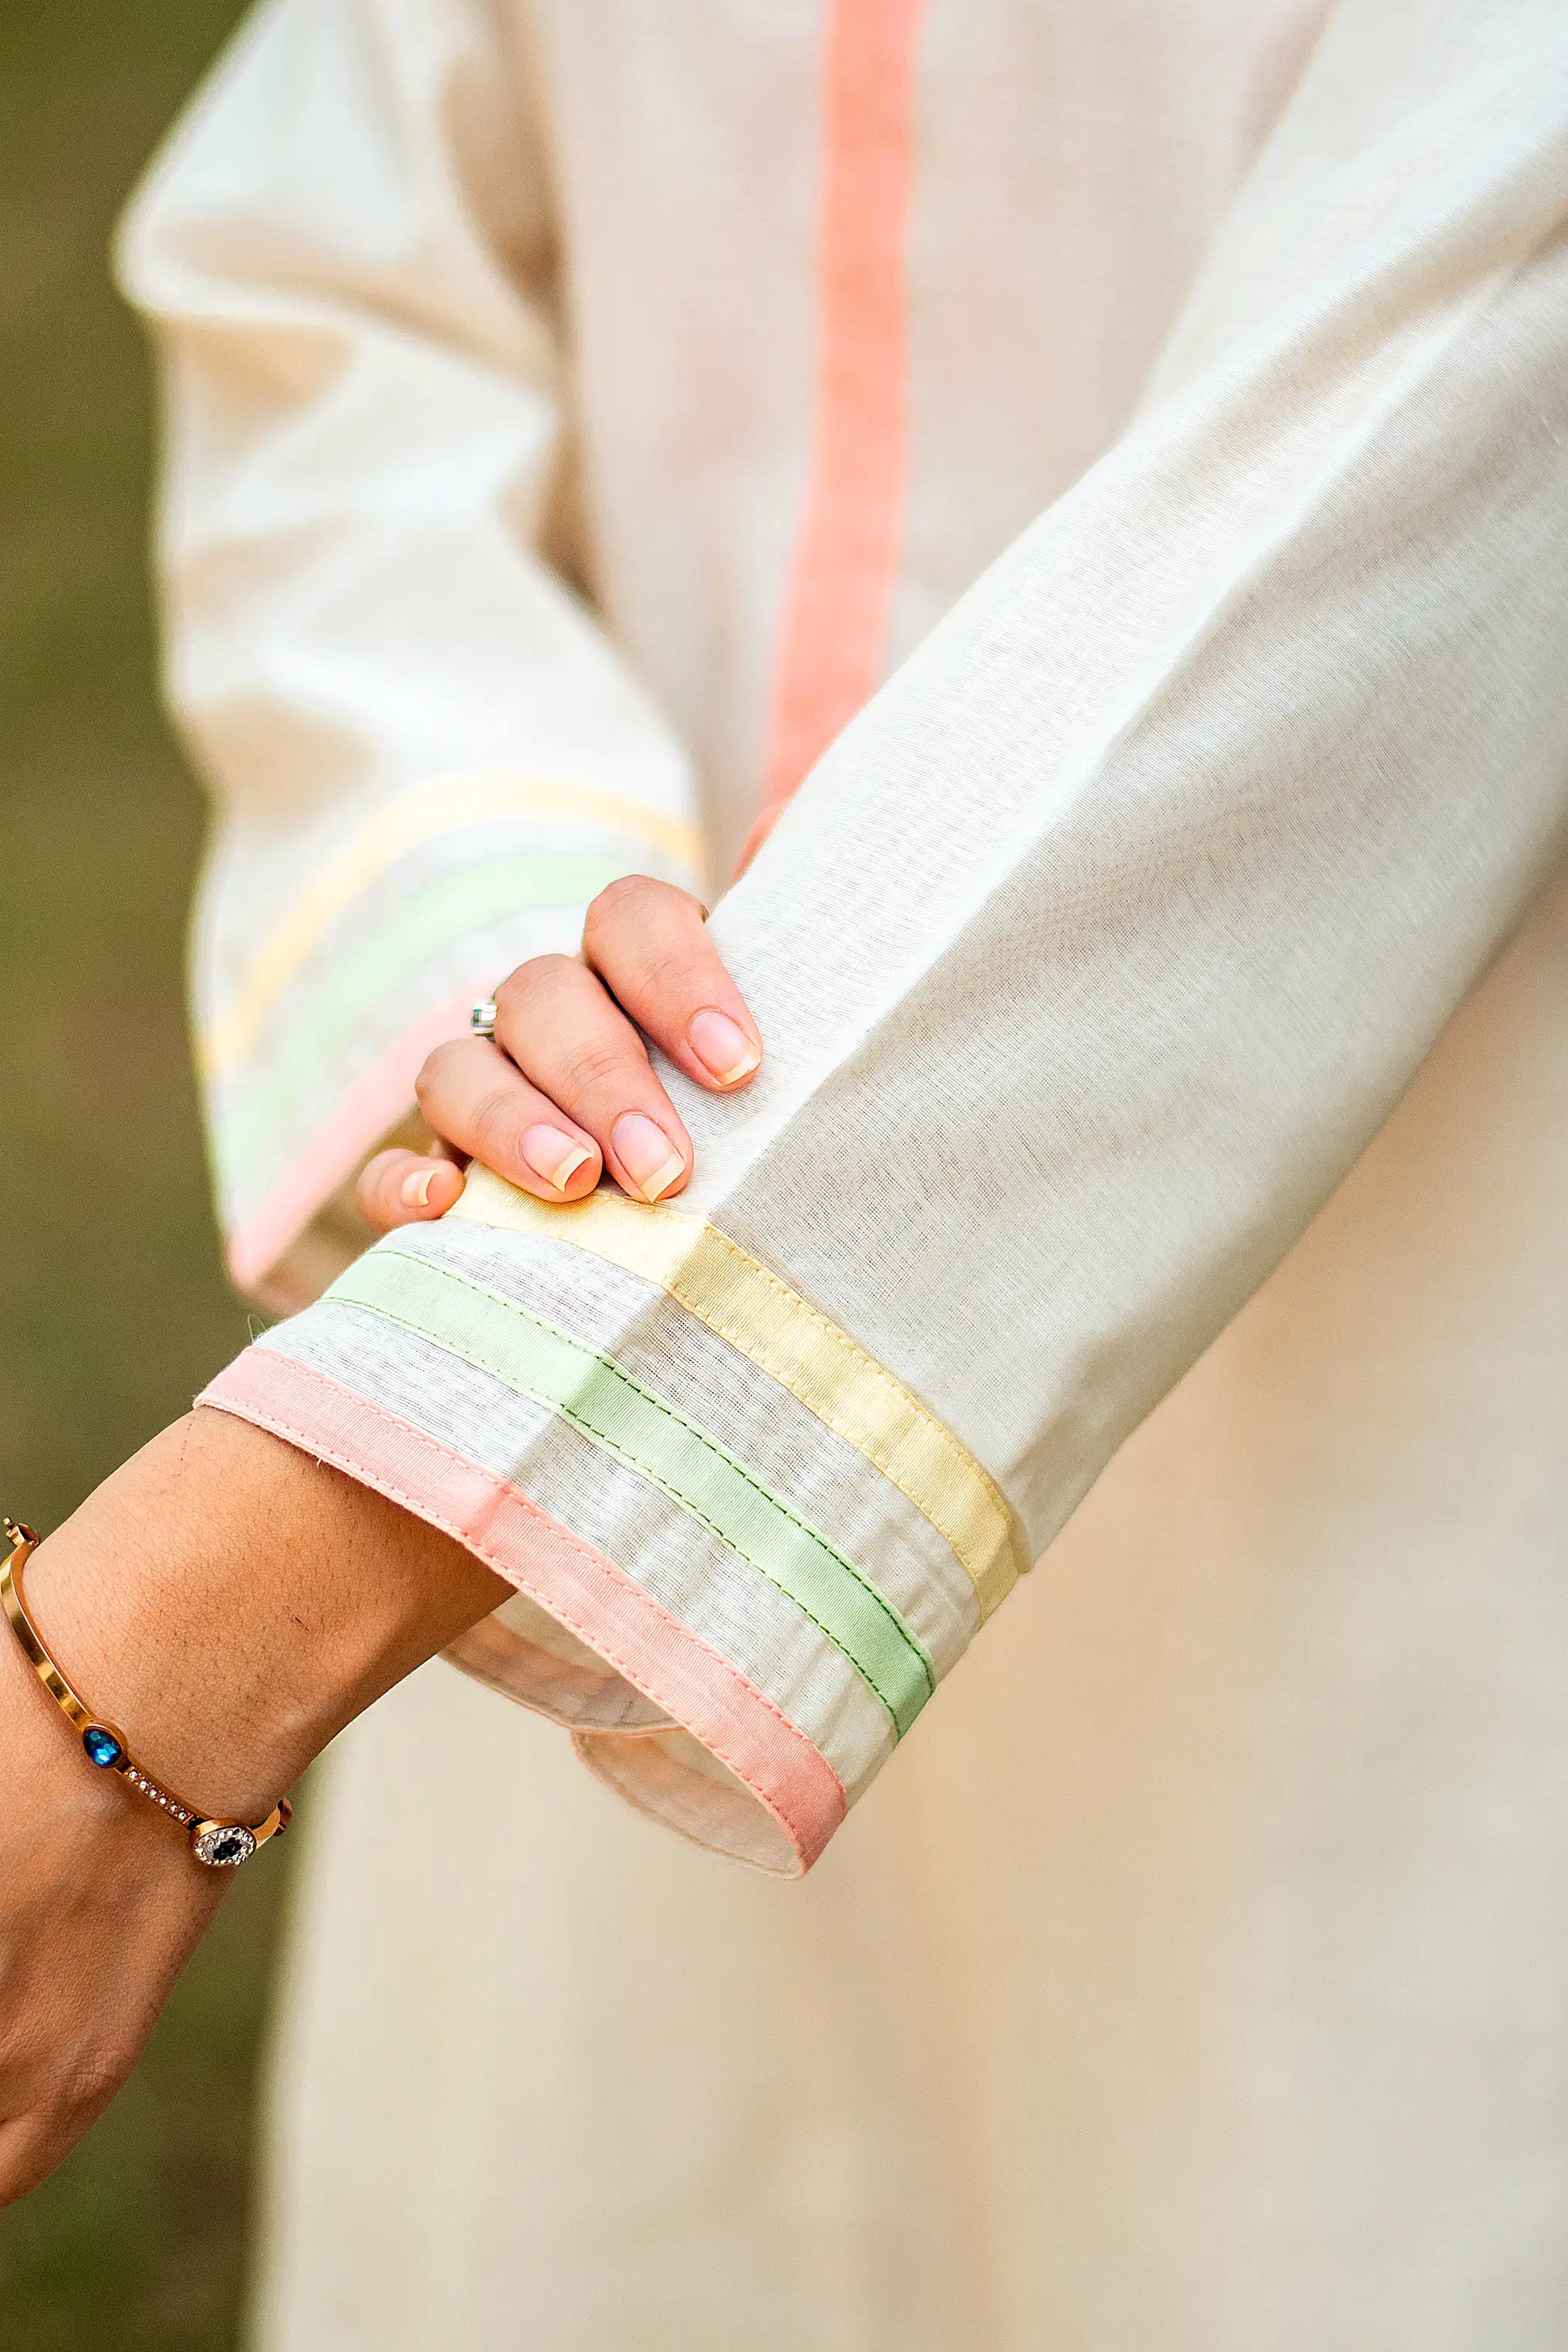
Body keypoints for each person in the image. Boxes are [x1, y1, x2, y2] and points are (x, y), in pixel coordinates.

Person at [5, 0, 1568, 2343]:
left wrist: (168, 1669)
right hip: (517, 1243)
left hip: (1404, 1283)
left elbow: (1453, 396)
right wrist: (506, 949)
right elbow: (345, 285)